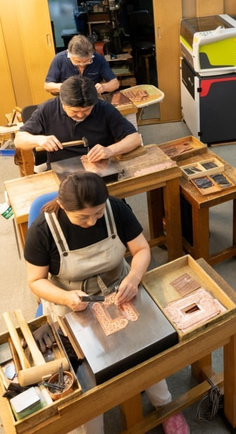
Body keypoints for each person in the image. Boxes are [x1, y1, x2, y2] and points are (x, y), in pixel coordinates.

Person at [24, 173, 189, 434]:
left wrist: (134, 278)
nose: (91, 222)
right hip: (70, 302)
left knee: (145, 347)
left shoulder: (116, 209)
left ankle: (165, 405)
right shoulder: (43, 230)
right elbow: (35, 280)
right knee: (89, 378)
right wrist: (66, 297)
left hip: (120, 288)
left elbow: (142, 250)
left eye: (97, 214)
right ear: (64, 206)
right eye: (82, 217)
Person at [15, 75, 141, 167]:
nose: (81, 115)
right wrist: (39, 140)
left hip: (98, 167)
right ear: (62, 103)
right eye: (74, 111)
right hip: (61, 169)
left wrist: (110, 150)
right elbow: (19, 140)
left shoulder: (103, 108)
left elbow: (134, 138)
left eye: (86, 110)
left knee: (112, 203)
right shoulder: (47, 109)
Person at [45, 35, 119, 95]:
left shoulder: (98, 58)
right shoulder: (59, 59)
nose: (82, 64)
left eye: (87, 61)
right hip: (68, 101)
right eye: (77, 61)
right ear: (69, 53)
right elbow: (47, 86)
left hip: (92, 100)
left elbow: (115, 83)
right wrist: (63, 87)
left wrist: (103, 87)